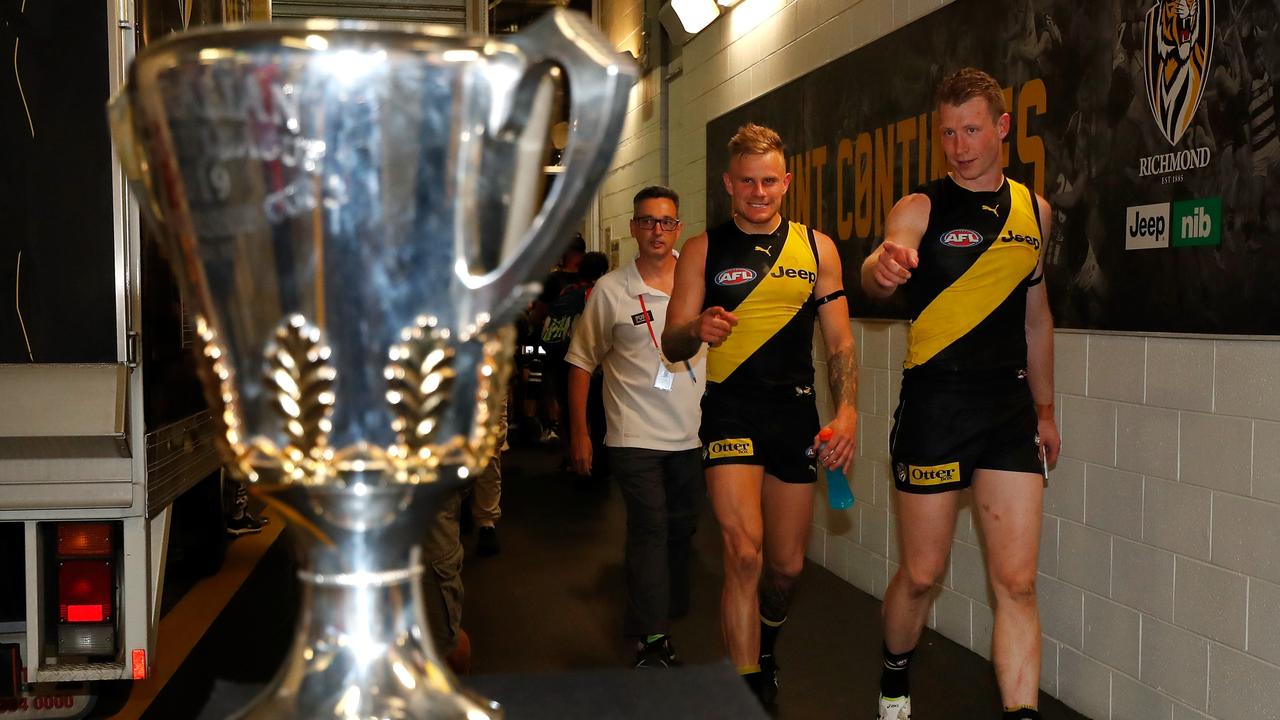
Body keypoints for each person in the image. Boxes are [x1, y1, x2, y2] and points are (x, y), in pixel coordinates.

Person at [860, 68, 1060, 720]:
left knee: (1017, 582)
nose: (960, 144)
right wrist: (882, 267)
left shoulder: (1037, 213)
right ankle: (895, 676)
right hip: (935, 406)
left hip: (1008, 407)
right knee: (921, 575)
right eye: (948, 132)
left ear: (1002, 127)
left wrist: (1047, 409)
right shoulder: (919, 207)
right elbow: (881, 269)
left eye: (972, 129)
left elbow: (1037, 318)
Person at [662, 123, 858, 704]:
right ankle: (746, 691)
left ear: (787, 182)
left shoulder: (818, 249)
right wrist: (695, 329)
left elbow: (841, 344)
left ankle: (766, 644)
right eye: (746, 181)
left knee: (786, 569)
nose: (758, 192)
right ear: (728, 183)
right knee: (742, 553)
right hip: (730, 413)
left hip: (795, 416)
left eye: (769, 181)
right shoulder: (702, 249)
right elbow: (672, 342)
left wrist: (847, 414)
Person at [564, 187, 706, 668]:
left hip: (692, 434)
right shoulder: (611, 291)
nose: (657, 231)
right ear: (633, 228)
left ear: (678, 228)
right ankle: (652, 639)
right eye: (647, 221)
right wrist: (580, 434)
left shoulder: (702, 283)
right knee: (649, 527)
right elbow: (581, 362)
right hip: (633, 435)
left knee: (681, 527)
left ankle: (655, 606)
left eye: (666, 222)